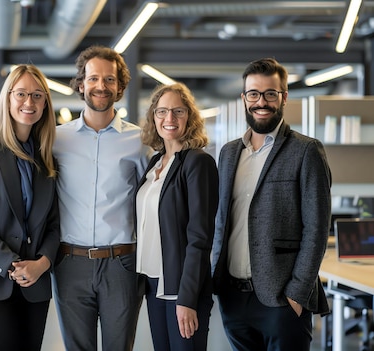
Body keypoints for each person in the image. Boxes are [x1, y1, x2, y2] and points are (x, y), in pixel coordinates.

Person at [211, 57, 332, 351]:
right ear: (244, 98)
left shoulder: (306, 151)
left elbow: (316, 228)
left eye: (270, 94)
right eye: (253, 94)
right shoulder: (228, 153)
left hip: (281, 300)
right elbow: (221, 220)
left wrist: (297, 293)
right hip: (233, 297)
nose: (261, 102)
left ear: (284, 97)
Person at [52, 45, 151, 351]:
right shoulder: (56, 139)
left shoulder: (139, 141)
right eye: (93, 78)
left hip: (121, 263)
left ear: (120, 87)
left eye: (109, 80)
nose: (101, 86)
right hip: (70, 263)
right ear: (81, 83)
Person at [0, 64, 60, 351]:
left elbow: (54, 224)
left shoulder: (47, 160)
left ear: (45, 104)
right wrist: (11, 266)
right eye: (21, 94)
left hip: (36, 284)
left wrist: (42, 264)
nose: (29, 102)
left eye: (37, 95)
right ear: (7, 99)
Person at [136, 83, 218, 351]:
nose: (169, 119)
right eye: (162, 111)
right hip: (154, 282)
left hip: (181, 287)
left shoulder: (197, 162)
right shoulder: (156, 163)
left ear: (189, 118)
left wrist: (187, 298)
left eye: (178, 111)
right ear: (154, 117)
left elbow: (200, 237)